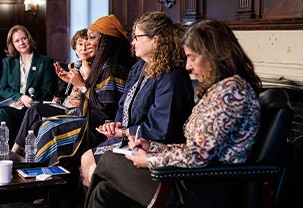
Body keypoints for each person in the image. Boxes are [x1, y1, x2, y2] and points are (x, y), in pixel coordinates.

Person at [84, 18, 262, 208]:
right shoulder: (222, 89)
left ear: (214, 54)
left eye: (192, 57)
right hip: (189, 177)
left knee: (110, 160)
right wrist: (152, 146)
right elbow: (195, 148)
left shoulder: (231, 92)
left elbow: (199, 156)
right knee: (104, 191)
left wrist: (150, 159)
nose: (188, 66)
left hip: (201, 188)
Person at [80, 11, 195, 188]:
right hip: (129, 139)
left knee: (93, 168)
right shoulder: (139, 67)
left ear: (155, 39)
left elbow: (161, 128)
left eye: (137, 37)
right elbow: (122, 104)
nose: (132, 42)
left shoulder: (172, 76)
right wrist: (115, 125)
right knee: (86, 158)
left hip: (154, 146)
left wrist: (125, 132)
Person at [36, 14, 136, 208]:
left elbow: (106, 110)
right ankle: (49, 188)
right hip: (89, 118)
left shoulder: (112, 66)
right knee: (46, 123)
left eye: (92, 37)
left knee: (51, 129)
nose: (88, 43)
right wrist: (72, 82)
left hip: (99, 126)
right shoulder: (103, 63)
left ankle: (54, 192)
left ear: (105, 40)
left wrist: (81, 86)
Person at [11, 28, 91, 155]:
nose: (83, 48)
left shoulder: (94, 68)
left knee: (35, 109)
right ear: (75, 48)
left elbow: (85, 92)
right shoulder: (76, 66)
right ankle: (27, 157)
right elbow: (67, 92)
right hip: (64, 106)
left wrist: (78, 83)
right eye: (80, 44)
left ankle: (15, 151)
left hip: (77, 111)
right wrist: (64, 85)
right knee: (36, 121)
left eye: (87, 44)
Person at [0, 25, 61, 147]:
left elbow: (48, 91)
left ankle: (15, 153)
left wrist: (29, 100)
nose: (21, 43)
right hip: (15, 106)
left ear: (29, 38)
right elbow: (3, 89)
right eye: (17, 41)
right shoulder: (8, 62)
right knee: (0, 113)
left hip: (33, 107)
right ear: (12, 44)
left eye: (24, 38)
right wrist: (19, 97)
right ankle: (4, 150)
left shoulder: (44, 61)